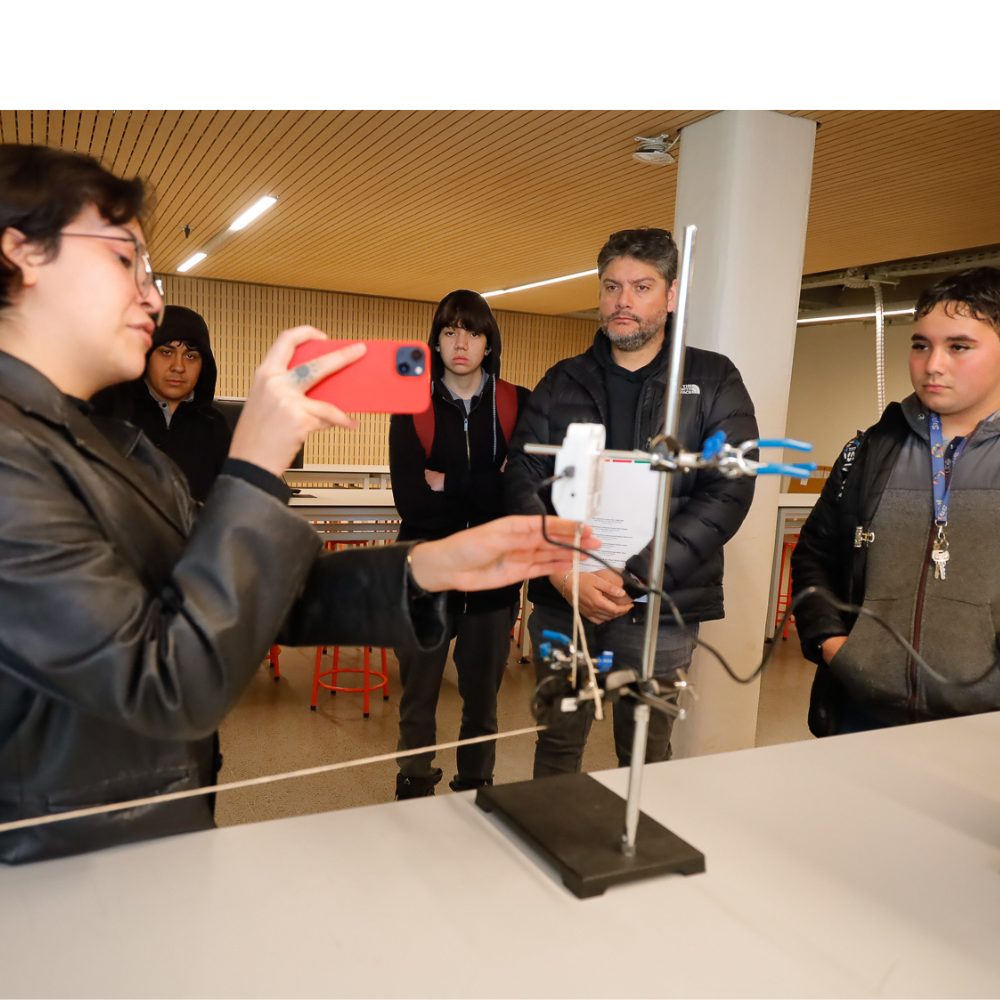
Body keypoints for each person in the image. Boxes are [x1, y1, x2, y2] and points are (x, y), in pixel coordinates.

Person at [0, 143, 591, 864]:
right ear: (23, 251)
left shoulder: (103, 440)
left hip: (138, 843)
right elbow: (162, 681)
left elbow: (263, 598)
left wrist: (429, 567)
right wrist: (252, 466)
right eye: (127, 260)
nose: (153, 297)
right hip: (53, 872)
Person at [505, 227, 758, 777]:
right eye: (611, 286)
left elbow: (730, 487)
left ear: (670, 297)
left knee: (645, 754)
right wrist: (564, 570)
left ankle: (638, 850)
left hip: (661, 605)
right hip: (563, 598)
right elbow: (522, 478)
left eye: (642, 287)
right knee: (556, 745)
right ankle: (553, 842)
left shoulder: (712, 380)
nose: (624, 302)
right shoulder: (561, 381)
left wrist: (637, 576)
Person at [791, 267, 1000, 736]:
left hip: (986, 731)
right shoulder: (873, 449)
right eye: (921, 344)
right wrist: (833, 643)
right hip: (861, 714)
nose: (932, 364)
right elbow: (816, 555)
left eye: (959, 346)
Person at [389, 290, 530, 798]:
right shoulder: (412, 406)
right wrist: (487, 483)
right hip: (427, 576)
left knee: (483, 702)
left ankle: (476, 785)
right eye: (449, 331)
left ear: (489, 342)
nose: (460, 342)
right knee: (418, 697)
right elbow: (410, 502)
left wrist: (447, 482)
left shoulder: (519, 403)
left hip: (493, 579)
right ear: (437, 342)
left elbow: (522, 494)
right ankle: (414, 784)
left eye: (472, 331)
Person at [92, 305, 232, 502]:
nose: (178, 367)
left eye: (191, 356)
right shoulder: (110, 412)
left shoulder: (215, 426)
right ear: (147, 356)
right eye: (166, 352)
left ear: (204, 365)